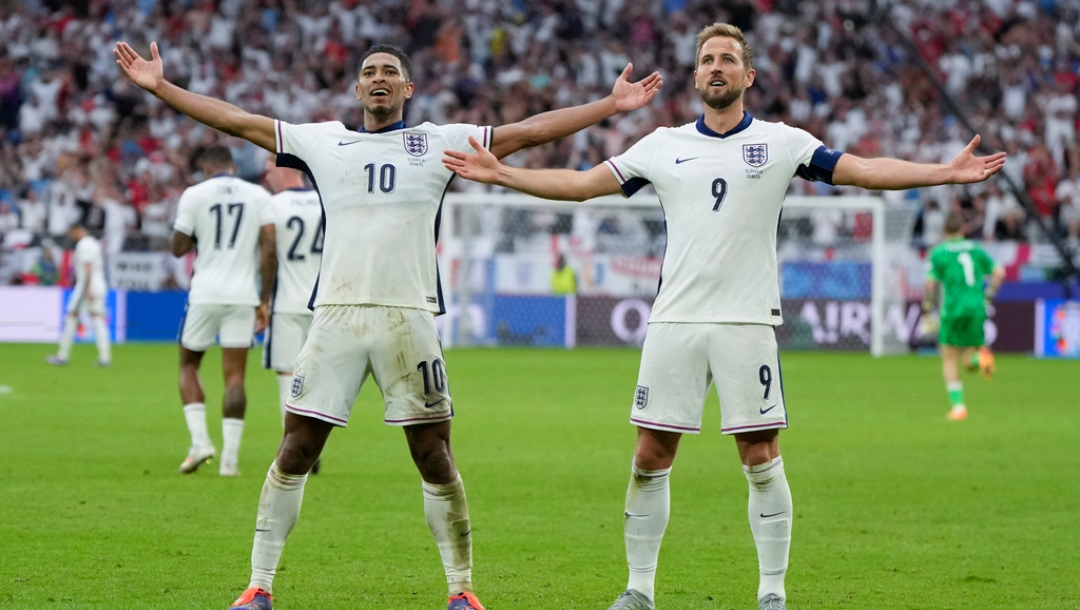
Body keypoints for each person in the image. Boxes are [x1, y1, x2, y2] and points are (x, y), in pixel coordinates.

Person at [442, 22, 1006, 610]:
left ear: (748, 76)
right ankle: (638, 589)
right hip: (675, 323)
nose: (716, 67)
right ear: (695, 75)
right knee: (649, 455)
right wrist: (502, 172)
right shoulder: (661, 144)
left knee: (761, 456)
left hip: (747, 322)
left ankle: (771, 593)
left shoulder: (784, 142)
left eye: (728, 60)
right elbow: (583, 185)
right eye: (707, 59)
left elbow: (862, 169)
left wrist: (942, 172)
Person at [114, 38, 661, 610]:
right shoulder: (325, 140)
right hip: (337, 318)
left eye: (390, 72)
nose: (379, 78)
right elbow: (236, 120)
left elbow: (526, 131)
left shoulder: (440, 143)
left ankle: (460, 591)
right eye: (369, 72)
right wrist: (162, 87)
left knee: (434, 454)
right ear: (357, 89)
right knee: (296, 446)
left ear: (408, 89)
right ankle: (258, 586)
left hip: (410, 318)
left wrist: (608, 105)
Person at [171, 144, 277, 478]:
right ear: (232, 167)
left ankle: (201, 441)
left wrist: (197, 234)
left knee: (189, 364)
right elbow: (269, 248)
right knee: (234, 376)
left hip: (205, 293)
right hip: (243, 295)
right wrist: (264, 298)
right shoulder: (258, 195)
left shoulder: (194, 194)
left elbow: (178, 248)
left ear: (206, 168)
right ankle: (230, 461)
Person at [260, 154, 323, 472]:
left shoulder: (273, 205)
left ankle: (292, 445)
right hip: (322, 305)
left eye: (269, 167)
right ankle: (313, 444)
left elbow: (268, 251)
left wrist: (262, 300)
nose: (266, 174)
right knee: (315, 377)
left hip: (285, 303)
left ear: (285, 169)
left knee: (287, 374)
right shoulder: (325, 200)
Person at [921, 212, 1005, 421]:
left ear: (944, 232)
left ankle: (959, 408)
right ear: (963, 230)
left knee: (949, 358)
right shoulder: (976, 249)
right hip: (977, 307)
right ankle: (981, 357)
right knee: (969, 361)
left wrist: (927, 310)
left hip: (953, 309)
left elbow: (930, 284)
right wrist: (988, 296)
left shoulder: (939, 253)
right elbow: (1000, 273)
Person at [46, 224, 111, 366]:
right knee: (98, 319)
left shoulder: (84, 245)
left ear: (77, 231)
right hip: (98, 285)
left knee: (71, 317)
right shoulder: (94, 243)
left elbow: (88, 267)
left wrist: (88, 289)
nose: (72, 238)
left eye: (72, 234)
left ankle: (62, 356)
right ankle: (105, 358)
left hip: (87, 286)